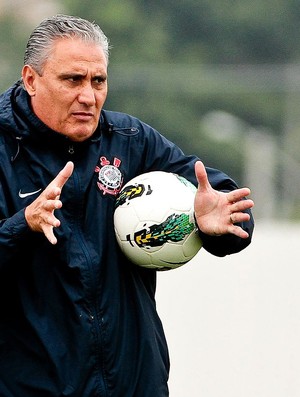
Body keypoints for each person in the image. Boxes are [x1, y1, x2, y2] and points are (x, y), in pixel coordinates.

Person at [0, 14, 254, 397]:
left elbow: (219, 198)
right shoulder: (4, 153)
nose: (89, 96)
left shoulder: (131, 141)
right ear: (31, 79)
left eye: (98, 80)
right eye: (73, 80)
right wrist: (22, 225)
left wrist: (215, 219)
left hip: (135, 385)